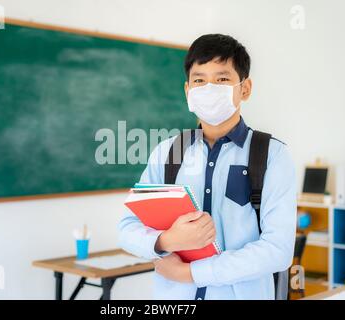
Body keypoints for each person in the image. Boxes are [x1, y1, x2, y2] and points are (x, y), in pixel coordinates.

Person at [118, 34, 297, 299]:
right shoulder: (168, 152)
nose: (209, 88)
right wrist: (167, 241)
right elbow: (127, 228)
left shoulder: (271, 155)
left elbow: (277, 251)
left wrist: (192, 273)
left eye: (222, 79)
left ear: (244, 89)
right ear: (188, 91)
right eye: (199, 80)